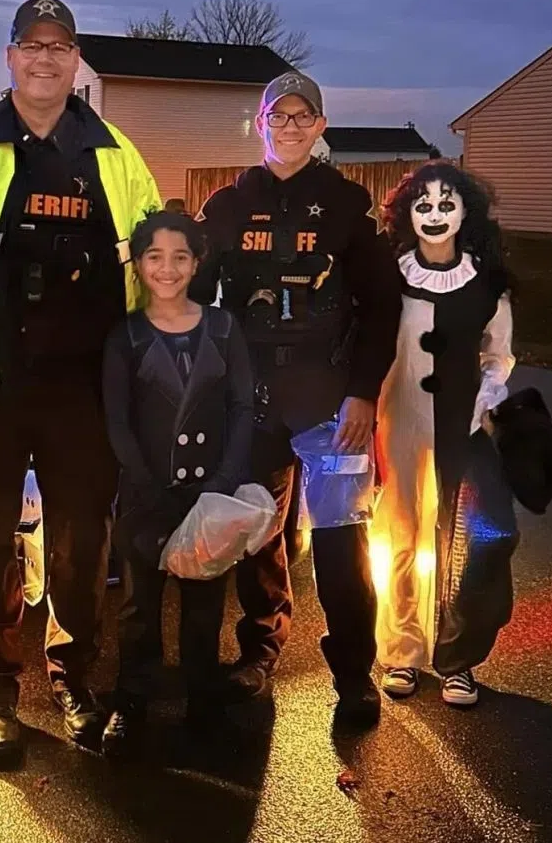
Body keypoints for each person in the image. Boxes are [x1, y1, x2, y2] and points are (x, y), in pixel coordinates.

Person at [0, 0, 161, 762]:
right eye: (31, 45)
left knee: (83, 549)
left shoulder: (117, 156)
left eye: (60, 45)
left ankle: (74, 678)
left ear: (76, 61)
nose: (46, 58)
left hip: (86, 393)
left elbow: (156, 275)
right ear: (9, 57)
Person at [191, 71, 402, 726]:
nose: (288, 128)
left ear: (319, 128)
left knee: (341, 545)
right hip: (251, 402)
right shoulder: (227, 206)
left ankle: (353, 675)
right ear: (260, 125)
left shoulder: (343, 206)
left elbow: (383, 304)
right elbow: (193, 300)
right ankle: (259, 652)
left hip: (329, 404)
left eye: (300, 117)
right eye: (276, 117)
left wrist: (364, 393)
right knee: (257, 536)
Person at [100, 211, 254, 755]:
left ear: (196, 262)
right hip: (148, 496)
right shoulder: (127, 336)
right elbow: (117, 421)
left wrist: (223, 482)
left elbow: (241, 407)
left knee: (205, 604)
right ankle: (131, 699)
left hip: (210, 496)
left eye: (180, 257)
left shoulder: (223, 327)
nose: (168, 269)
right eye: (155, 257)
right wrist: (150, 488)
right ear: (139, 265)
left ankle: (203, 702)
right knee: (140, 606)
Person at [373, 161, 515, 707]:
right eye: (423, 205)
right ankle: (401, 651)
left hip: (464, 423)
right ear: (408, 213)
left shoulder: (486, 281)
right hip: (400, 417)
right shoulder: (391, 274)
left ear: (465, 212)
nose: (435, 214)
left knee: (465, 542)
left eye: (446, 204)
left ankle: (457, 659)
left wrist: (490, 389)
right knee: (399, 534)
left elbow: (498, 353)